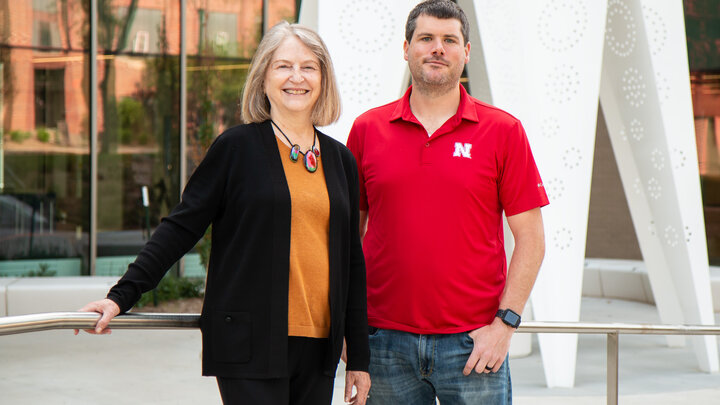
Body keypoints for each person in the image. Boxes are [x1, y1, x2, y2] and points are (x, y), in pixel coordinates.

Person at [77, 21, 371, 405]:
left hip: (318, 350)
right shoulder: (236, 148)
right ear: (263, 78)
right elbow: (180, 228)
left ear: (323, 79)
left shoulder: (340, 160)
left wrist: (359, 358)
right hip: (248, 343)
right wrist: (121, 296)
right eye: (283, 66)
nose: (296, 77)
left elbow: (352, 261)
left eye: (308, 67)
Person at [346, 1, 548, 403]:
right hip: (383, 342)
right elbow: (347, 237)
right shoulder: (367, 129)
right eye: (426, 38)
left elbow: (531, 238)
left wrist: (505, 326)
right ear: (406, 48)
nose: (437, 48)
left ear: (466, 52)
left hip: (474, 345)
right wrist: (350, 330)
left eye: (449, 40)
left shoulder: (503, 131)